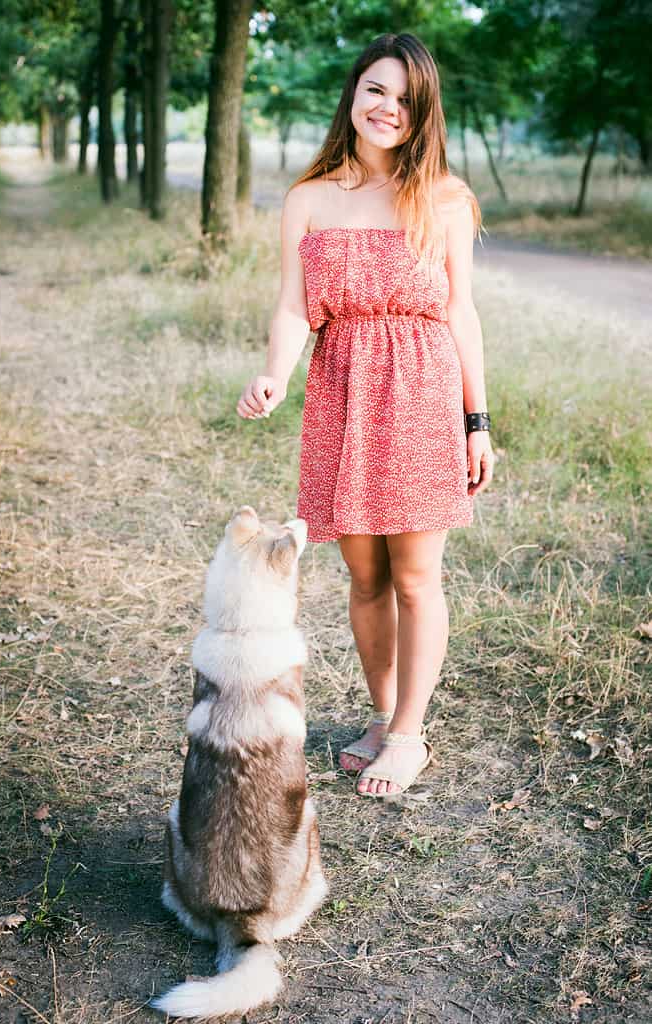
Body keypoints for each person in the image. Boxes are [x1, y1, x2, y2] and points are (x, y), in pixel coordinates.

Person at [236, 32, 494, 797]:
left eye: (406, 100)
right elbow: (292, 304)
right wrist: (274, 375)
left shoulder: (443, 197)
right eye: (377, 89)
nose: (388, 109)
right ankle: (384, 715)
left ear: (423, 116)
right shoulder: (309, 198)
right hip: (341, 392)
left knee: (415, 575)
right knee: (363, 574)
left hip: (420, 392)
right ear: (354, 92)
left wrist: (475, 422)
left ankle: (410, 736)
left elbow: (461, 314)